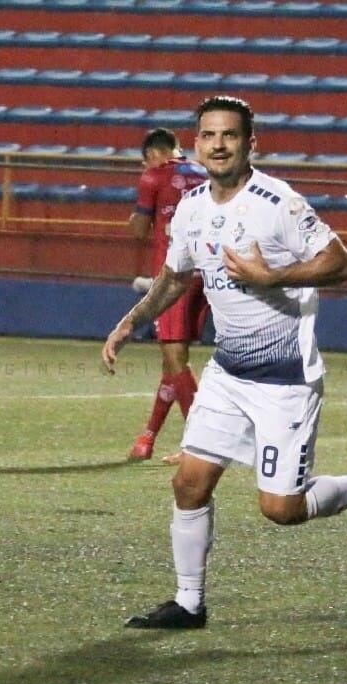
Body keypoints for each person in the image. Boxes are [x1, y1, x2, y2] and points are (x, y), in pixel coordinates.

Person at [101, 96, 347, 629]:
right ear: (195, 143)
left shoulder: (279, 202)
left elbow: (342, 262)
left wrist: (274, 277)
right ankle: (188, 602)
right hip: (228, 372)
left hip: (285, 380)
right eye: (208, 135)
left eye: (229, 135)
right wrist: (130, 322)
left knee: (281, 510)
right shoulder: (193, 208)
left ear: (252, 143)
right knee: (190, 483)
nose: (218, 144)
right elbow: (177, 277)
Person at [126, 127, 211, 462]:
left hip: (174, 276)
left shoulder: (153, 177)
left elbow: (138, 230)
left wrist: (135, 215)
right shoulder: (204, 172)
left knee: (175, 358)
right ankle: (147, 438)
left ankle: (201, 445)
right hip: (207, 273)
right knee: (173, 360)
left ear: (151, 154)